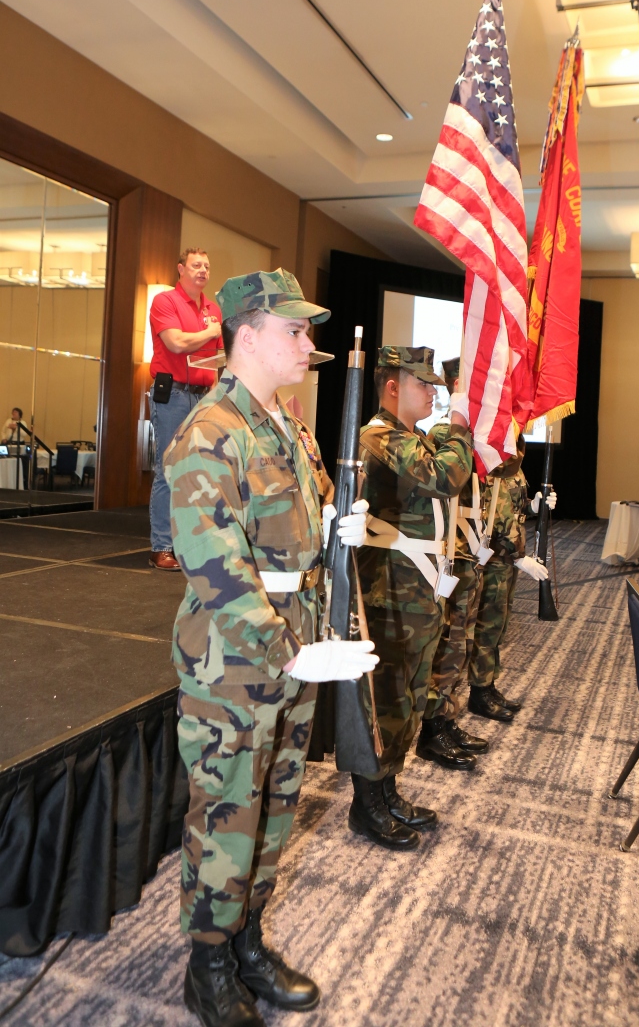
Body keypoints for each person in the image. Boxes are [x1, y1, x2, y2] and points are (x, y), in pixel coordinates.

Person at [165, 269, 377, 1027]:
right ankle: (208, 966)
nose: (307, 342)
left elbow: (299, 521)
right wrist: (288, 652)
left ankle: (247, 940)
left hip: (295, 646)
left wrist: (338, 524)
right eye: (294, 329)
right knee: (228, 814)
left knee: (275, 806)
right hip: (235, 662)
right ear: (247, 336)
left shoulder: (287, 426)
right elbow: (216, 567)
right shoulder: (210, 432)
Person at [353, 346, 473, 849]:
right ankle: (367, 803)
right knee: (387, 699)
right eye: (422, 384)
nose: (432, 393)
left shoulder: (412, 437)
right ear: (392, 386)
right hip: (391, 592)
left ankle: (388, 791)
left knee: (408, 697)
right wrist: (460, 424)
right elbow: (446, 476)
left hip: (416, 589)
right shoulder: (379, 436)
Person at [417, 357, 488, 771]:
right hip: (452, 552)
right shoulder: (445, 432)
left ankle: (445, 718)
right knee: (447, 645)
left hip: (467, 550)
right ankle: (433, 727)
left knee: (460, 642)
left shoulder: (470, 431)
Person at [148, 248, 223, 571]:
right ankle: (162, 547)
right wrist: (210, 332)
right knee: (169, 469)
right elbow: (176, 343)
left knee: (199, 472)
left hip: (204, 396)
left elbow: (218, 359)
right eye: (196, 265)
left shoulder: (213, 309)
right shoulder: (165, 301)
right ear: (181, 269)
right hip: (174, 395)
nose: (203, 270)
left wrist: (217, 397)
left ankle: (191, 544)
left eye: (207, 265)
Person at [468, 442, 554, 723]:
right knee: (487, 626)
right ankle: (478, 691)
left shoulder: (513, 461)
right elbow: (491, 519)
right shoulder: (491, 459)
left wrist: (534, 505)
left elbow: (515, 509)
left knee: (500, 626)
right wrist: (518, 557)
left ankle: (489, 684)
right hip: (494, 559)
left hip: (509, 560)